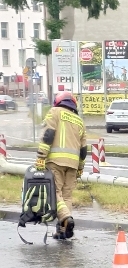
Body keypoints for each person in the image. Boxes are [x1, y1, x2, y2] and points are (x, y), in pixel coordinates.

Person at [34, 91, 86, 239]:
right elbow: (83, 150)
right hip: (73, 164)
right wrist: (80, 167)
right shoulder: (79, 120)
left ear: (58, 102)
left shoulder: (54, 112)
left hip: (55, 161)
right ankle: (63, 230)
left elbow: (48, 134)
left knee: (54, 193)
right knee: (66, 196)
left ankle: (66, 218)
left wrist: (41, 156)